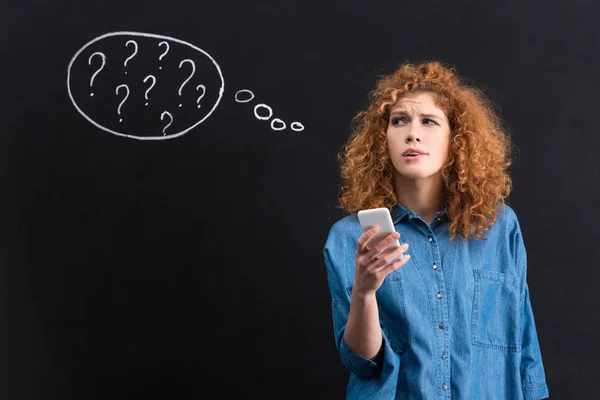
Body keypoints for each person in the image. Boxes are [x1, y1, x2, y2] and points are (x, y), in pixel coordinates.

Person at [323, 60, 549, 399]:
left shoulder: (500, 226)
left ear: (455, 140)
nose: (412, 133)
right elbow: (362, 363)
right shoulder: (349, 237)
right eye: (399, 121)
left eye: (429, 121)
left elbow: (522, 335)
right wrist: (364, 292)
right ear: (382, 139)